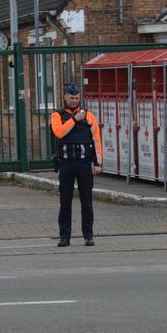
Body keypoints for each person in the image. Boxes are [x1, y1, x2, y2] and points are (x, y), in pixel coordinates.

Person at [50, 84, 102, 247]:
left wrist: (97, 162)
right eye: (71, 98)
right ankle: (64, 236)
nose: (74, 101)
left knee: (86, 202)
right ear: (65, 97)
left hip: (84, 163)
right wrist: (74, 120)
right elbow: (59, 132)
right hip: (66, 163)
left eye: (77, 98)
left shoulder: (88, 116)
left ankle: (88, 235)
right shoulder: (57, 115)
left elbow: (96, 139)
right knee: (65, 202)